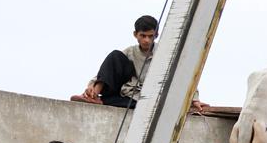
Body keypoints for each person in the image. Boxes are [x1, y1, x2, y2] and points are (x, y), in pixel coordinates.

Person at [73, 15, 207, 113]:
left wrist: (194, 100)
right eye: (143, 36)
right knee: (115, 55)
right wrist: (91, 86)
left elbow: (184, 76)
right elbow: (107, 71)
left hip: (150, 98)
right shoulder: (130, 52)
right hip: (128, 93)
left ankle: (103, 101)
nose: (147, 40)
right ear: (135, 34)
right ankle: (93, 96)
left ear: (156, 35)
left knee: (146, 106)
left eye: (150, 36)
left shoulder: (167, 54)